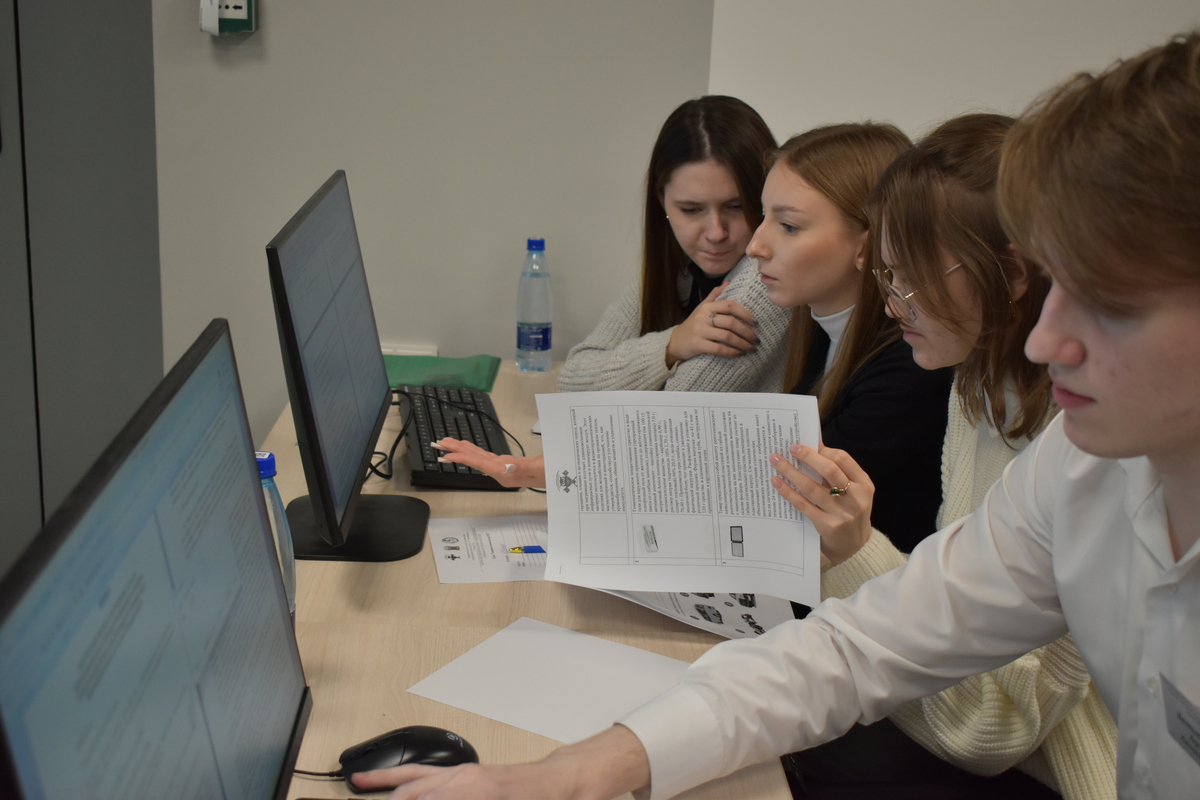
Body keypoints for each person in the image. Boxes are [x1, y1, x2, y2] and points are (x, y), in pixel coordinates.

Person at [353, 30, 1200, 800]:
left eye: (1110, 301)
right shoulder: (1071, 461)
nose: (1047, 340)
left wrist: (848, 551)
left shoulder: (982, 400)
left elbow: (987, 724)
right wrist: (567, 773)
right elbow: (860, 646)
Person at [768, 114, 1115, 799]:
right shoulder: (975, 385)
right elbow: (954, 633)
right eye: (888, 275)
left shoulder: (1081, 438)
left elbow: (989, 727)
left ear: (1010, 274)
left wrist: (855, 553)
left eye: (910, 278)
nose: (892, 302)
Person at [438, 123, 951, 546]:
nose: (753, 245)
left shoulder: (908, 368)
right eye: (764, 217)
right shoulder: (816, 324)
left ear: (868, 244)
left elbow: (768, 489)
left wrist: (549, 471)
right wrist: (545, 470)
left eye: (788, 226)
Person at [556, 95, 790, 394]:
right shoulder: (679, 269)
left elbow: (679, 402)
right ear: (662, 202)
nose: (716, 233)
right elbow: (571, 380)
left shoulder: (767, 279)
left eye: (736, 206)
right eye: (691, 210)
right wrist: (672, 343)